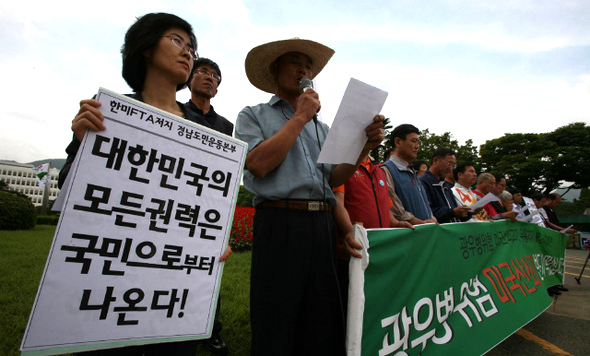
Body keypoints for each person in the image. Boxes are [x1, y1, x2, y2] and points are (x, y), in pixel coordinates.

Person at [57, 13, 230, 356]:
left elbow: (209, 201)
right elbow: (69, 191)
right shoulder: (112, 112)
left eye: (191, 47)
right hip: (115, 270)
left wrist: (214, 239)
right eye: (176, 41)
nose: (187, 53)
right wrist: (82, 143)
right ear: (146, 48)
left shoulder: (204, 130)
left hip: (175, 275)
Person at [234, 38, 384, 355]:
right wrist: (300, 116)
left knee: (319, 317)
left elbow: (335, 177)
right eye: (295, 61)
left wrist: (365, 146)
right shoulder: (253, 115)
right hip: (280, 222)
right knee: (276, 315)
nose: (305, 69)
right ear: (275, 69)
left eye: (309, 65)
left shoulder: (322, 127)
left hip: (320, 225)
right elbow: (258, 164)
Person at [185, 58, 233, 355]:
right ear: (189, 78)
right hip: (180, 200)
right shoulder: (175, 113)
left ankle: (210, 330)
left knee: (209, 269)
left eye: (215, 76)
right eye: (203, 72)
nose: (210, 78)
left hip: (210, 206)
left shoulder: (225, 126)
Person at [381, 124, 437, 225]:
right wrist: (419, 222)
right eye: (413, 141)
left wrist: (432, 220)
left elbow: (425, 204)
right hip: (409, 233)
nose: (417, 146)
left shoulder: (413, 172)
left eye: (418, 142)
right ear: (398, 142)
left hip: (425, 232)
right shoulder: (386, 170)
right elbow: (392, 205)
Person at [419, 148, 470, 223]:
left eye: (453, 165)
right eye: (449, 163)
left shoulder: (445, 185)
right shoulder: (422, 182)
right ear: (435, 161)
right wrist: (452, 212)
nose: (451, 168)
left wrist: (467, 213)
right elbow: (426, 212)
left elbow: (454, 211)